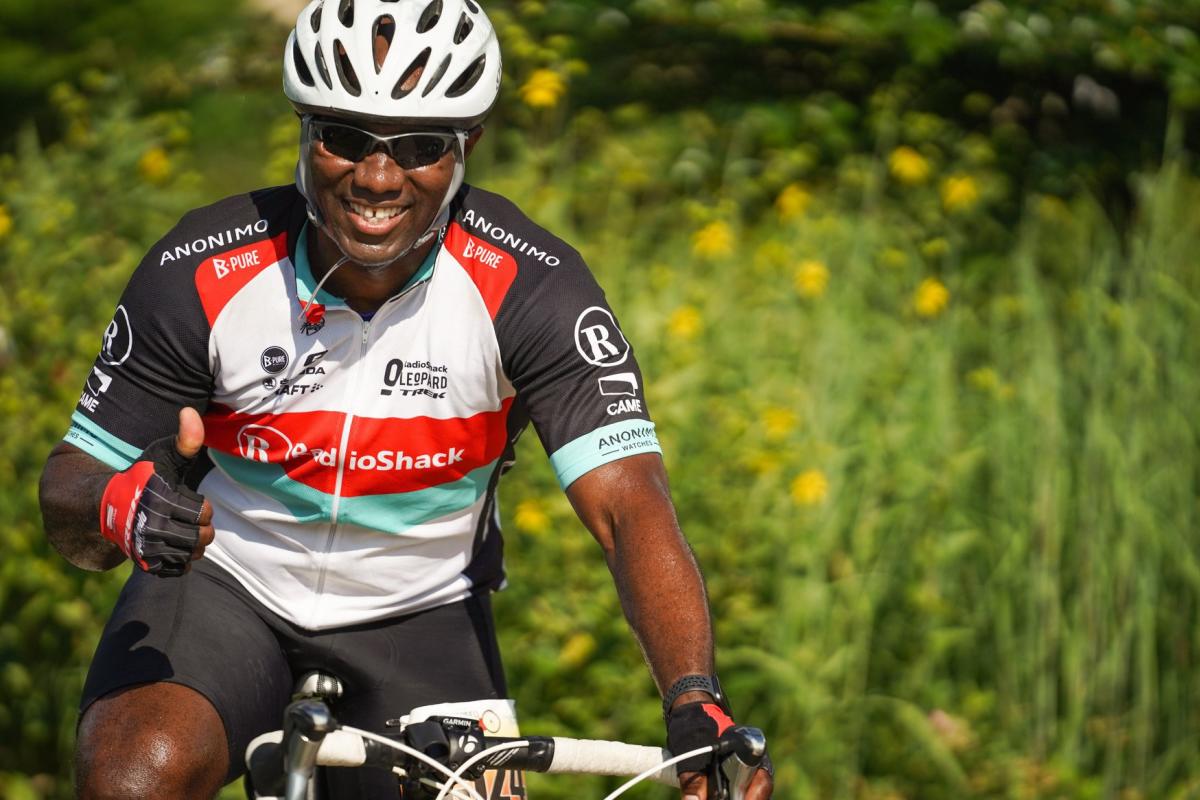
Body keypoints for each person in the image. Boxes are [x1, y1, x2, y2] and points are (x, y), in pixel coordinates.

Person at [38, 0, 773, 797]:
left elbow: (630, 504)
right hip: (223, 586)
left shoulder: (532, 289)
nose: (378, 177)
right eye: (345, 138)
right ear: (303, 130)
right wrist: (122, 509)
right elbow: (68, 491)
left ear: (469, 148)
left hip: (423, 615)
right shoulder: (203, 266)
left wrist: (695, 697)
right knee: (134, 775)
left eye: (420, 147)